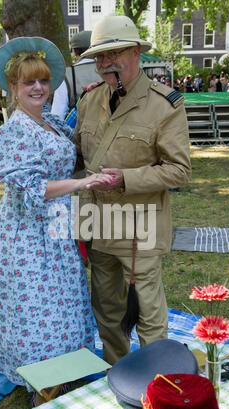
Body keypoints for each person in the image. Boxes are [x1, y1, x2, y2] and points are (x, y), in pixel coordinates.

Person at [0, 37, 112, 389]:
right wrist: (82, 184)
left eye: (43, 80)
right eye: (28, 82)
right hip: (25, 234)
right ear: (13, 88)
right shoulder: (13, 131)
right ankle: (40, 382)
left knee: (62, 299)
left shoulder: (49, 121)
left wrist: (90, 99)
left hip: (56, 227)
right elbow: (33, 189)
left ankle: (65, 369)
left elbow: (72, 145)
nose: (38, 87)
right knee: (35, 305)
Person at [74, 15, 191, 365]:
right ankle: (118, 374)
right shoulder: (89, 101)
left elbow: (180, 170)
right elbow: (78, 157)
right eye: (99, 56)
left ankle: (156, 384)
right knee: (107, 309)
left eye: (115, 52)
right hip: (97, 221)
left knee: (148, 315)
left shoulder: (164, 104)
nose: (106, 62)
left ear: (137, 52)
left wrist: (126, 178)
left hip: (138, 227)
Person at [51, 30, 100, 121]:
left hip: (78, 132)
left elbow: (57, 116)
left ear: (74, 51)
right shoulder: (107, 70)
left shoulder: (67, 75)